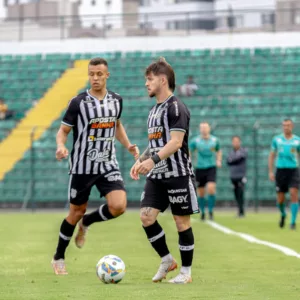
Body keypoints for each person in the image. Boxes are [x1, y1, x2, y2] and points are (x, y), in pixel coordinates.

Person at [51, 57, 139, 275]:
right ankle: (58, 257)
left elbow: (116, 125)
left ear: (106, 75)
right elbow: (63, 131)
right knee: (75, 212)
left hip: (108, 163)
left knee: (119, 206)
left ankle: (88, 222)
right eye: (92, 74)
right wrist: (61, 146)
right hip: (82, 166)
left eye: (99, 74)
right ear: (88, 75)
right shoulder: (78, 102)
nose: (95, 78)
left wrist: (128, 145)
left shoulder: (117, 100)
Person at [130, 58, 198, 284]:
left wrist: (153, 160)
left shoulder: (176, 107)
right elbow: (157, 142)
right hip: (157, 175)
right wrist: (141, 160)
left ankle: (186, 272)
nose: (146, 84)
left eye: (149, 80)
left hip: (178, 174)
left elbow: (176, 142)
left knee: (181, 223)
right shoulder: (154, 110)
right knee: (146, 217)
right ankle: (167, 260)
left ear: (162, 80)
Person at [268, 119, 300, 230]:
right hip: (280, 170)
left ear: (292, 126)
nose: (286, 127)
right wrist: (271, 171)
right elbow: (272, 155)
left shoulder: (297, 140)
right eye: (284, 125)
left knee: (293, 193)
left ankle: (293, 222)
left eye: (288, 125)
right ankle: (282, 214)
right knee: (280, 199)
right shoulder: (277, 140)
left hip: (293, 170)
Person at [189, 122, 222, 221]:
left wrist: (218, 160)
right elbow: (189, 151)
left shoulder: (215, 140)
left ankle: (211, 211)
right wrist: (189, 162)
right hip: (199, 167)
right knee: (201, 192)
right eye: (202, 128)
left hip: (211, 167)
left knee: (211, 188)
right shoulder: (195, 141)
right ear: (200, 129)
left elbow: (219, 150)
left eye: (205, 127)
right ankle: (203, 212)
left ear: (209, 129)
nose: (203, 129)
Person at [227, 136, 247, 217]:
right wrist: (233, 160)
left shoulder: (243, 151)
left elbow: (239, 158)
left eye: (237, 141)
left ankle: (241, 211)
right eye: (234, 141)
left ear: (240, 142)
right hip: (233, 176)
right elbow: (228, 161)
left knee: (240, 193)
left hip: (241, 175)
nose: (235, 143)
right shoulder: (231, 152)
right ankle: (239, 209)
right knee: (236, 193)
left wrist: (233, 160)